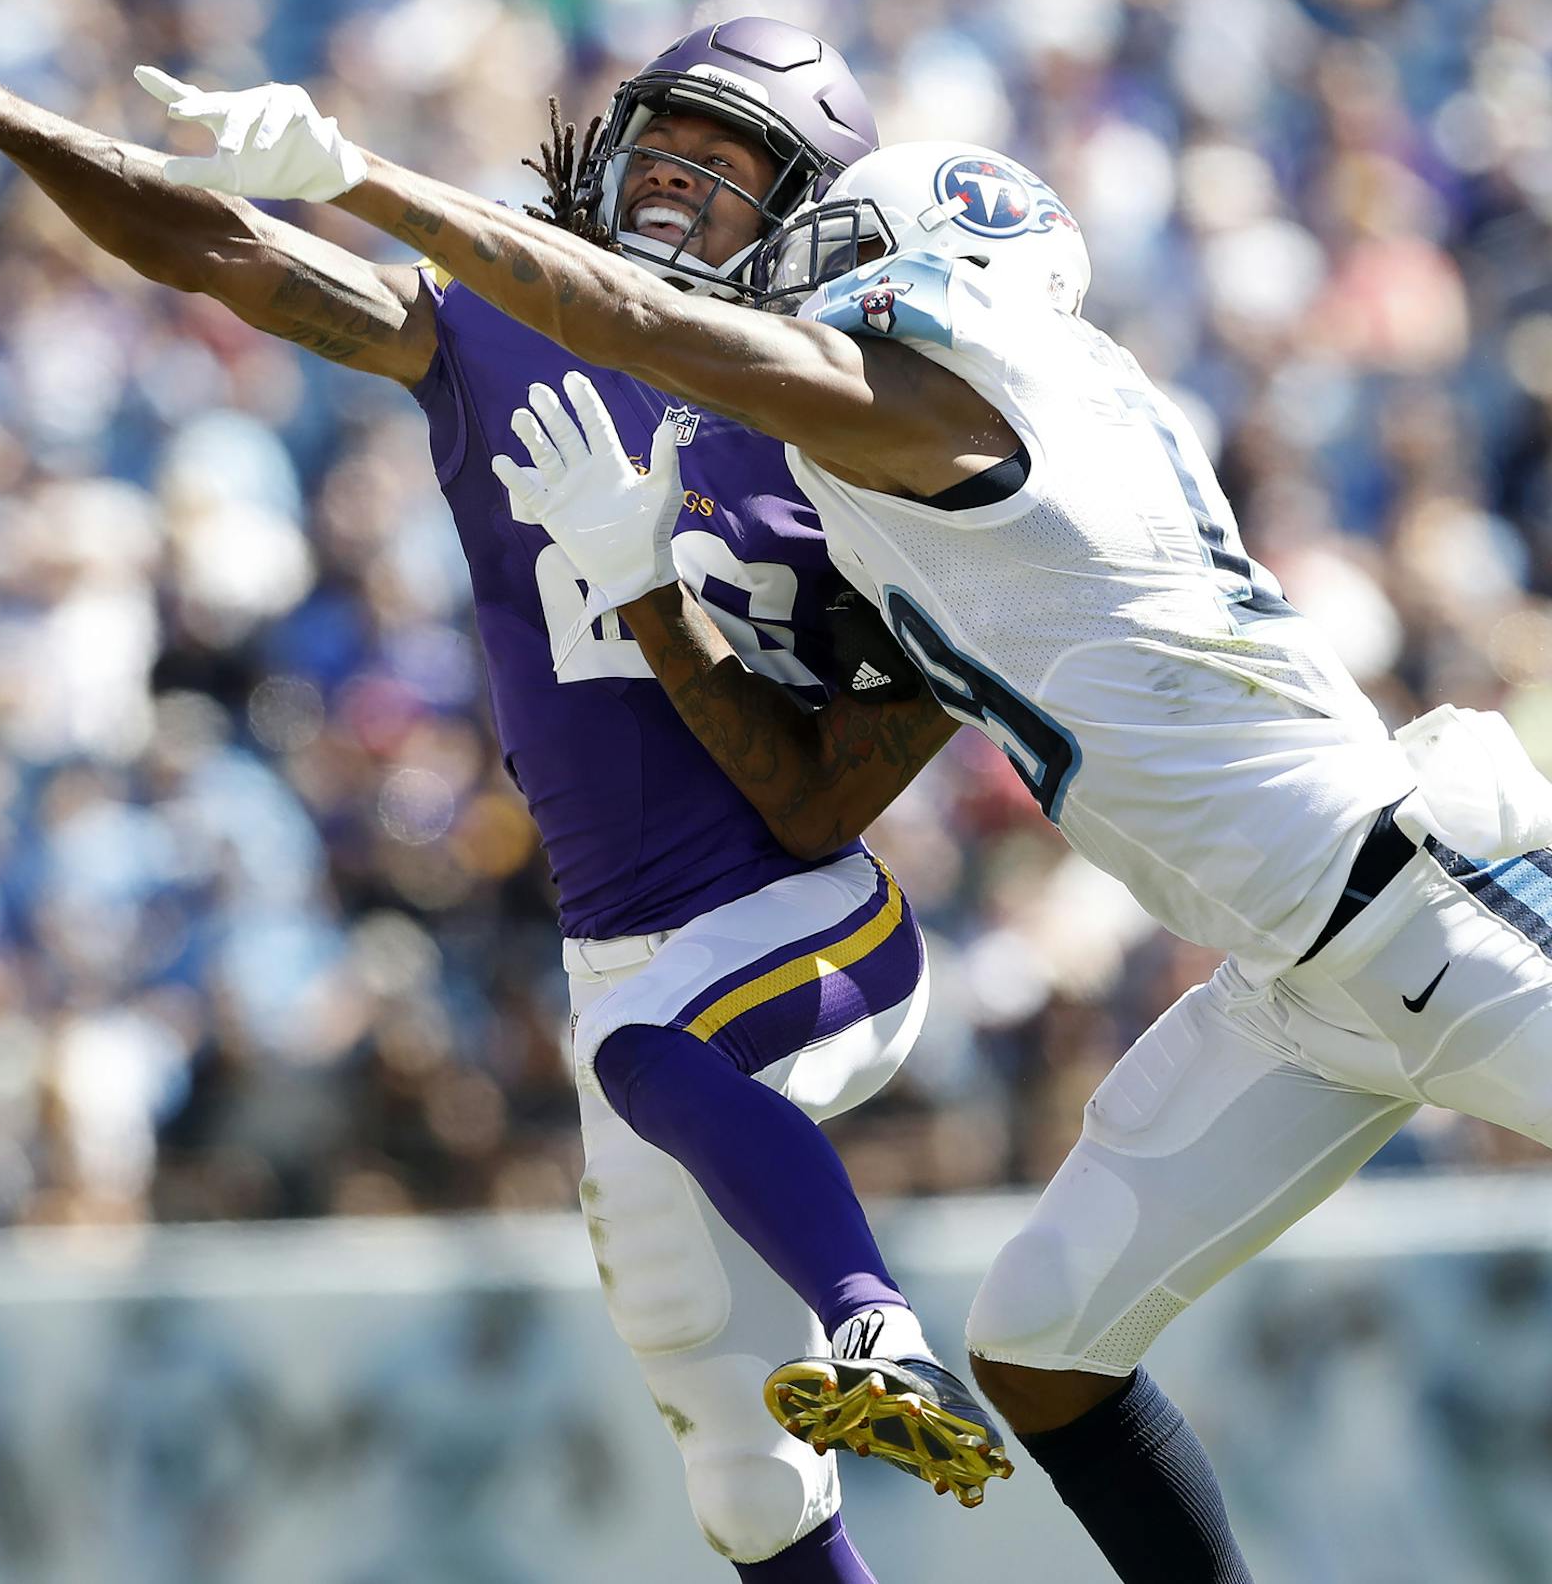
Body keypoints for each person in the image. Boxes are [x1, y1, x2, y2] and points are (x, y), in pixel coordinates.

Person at [142, 81, 1552, 1584]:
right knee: (1042, 1347)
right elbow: (809, 792)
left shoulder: (954, 410)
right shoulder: (926, 477)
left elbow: (655, 332)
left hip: (1431, 908)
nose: (801, 302)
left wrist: (365, 176)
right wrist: (647, 590)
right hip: (1295, 981)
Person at [0, 21, 1010, 1579]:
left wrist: (653, 594)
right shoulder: (504, 329)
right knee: (737, 1466)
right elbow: (228, 250)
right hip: (618, 952)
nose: (677, 187)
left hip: (804, 924)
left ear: (800, 220)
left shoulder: (851, 422)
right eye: (670, 143)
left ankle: (876, 1328)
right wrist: (0, 115)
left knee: (662, 1053)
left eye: (730, 169)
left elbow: (820, 806)